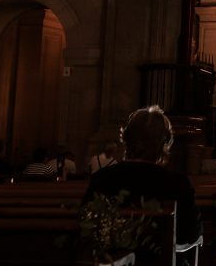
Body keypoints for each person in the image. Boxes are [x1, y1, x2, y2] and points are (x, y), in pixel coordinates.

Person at [83, 105, 202, 247]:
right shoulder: (177, 184)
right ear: (164, 144)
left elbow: (86, 226)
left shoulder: (101, 179)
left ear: (126, 139)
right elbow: (191, 234)